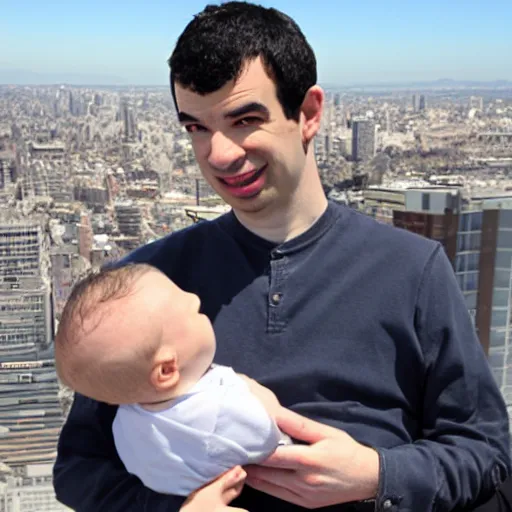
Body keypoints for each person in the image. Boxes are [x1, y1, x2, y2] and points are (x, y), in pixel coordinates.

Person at [53, 2, 512, 511]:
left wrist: (379, 476)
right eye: (196, 128)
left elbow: (486, 450)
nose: (219, 153)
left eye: (244, 119)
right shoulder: (143, 289)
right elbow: (79, 469)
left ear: (309, 114)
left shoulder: (413, 269)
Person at [53, 263, 290, 498]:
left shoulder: (124, 426)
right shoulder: (218, 412)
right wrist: (264, 401)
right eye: (195, 312)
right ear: (167, 370)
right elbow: (272, 440)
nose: (196, 297)